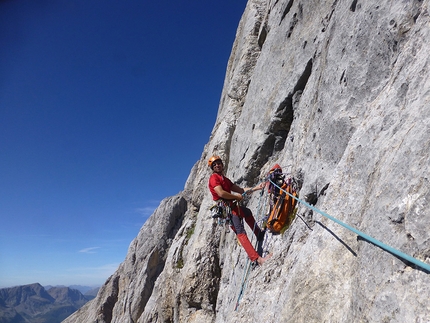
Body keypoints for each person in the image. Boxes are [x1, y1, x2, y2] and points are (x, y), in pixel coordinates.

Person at [208, 155, 272, 265]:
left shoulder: (225, 180)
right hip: (227, 210)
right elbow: (221, 193)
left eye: (218, 163)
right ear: (212, 168)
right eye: (214, 165)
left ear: (222, 165)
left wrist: (256, 188)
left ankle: (259, 234)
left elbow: (241, 190)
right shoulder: (214, 178)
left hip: (232, 207)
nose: (217, 165)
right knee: (240, 232)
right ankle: (257, 259)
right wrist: (236, 197)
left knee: (247, 213)